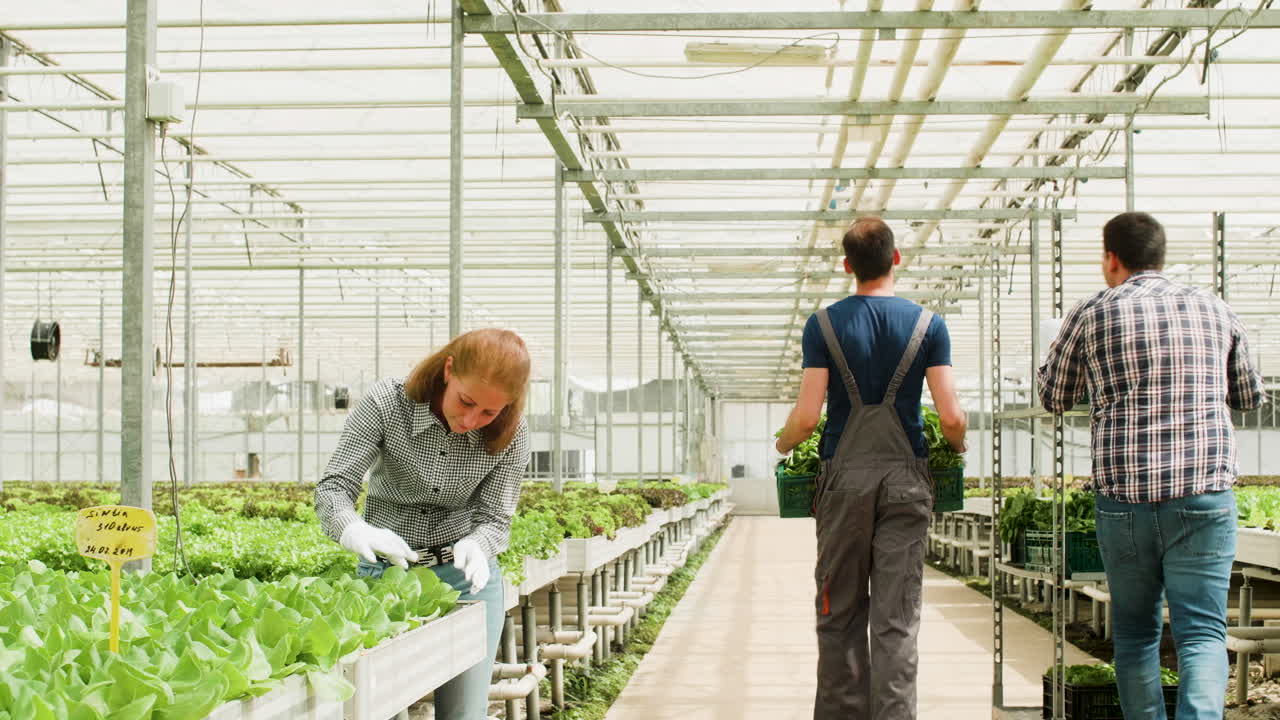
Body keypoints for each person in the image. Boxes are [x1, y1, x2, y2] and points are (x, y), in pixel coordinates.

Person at [1039, 211, 1265, 720]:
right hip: (1202, 494)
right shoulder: (1214, 308)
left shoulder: (1092, 313)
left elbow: (1053, 395)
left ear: (1111, 258)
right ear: (1160, 256)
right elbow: (1250, 395)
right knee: (1203, 633)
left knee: (1137, 636)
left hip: (1125, 502)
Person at [776, 216, 967, 720]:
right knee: (896, 619)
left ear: (847, 267)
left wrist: (783, 444)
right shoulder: (929, 325)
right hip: (906, 483)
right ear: (896, 258)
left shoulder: (823, 325)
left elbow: (806, 417)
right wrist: (957, 444)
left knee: (838, 614)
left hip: (843, 482)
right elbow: (951, 416)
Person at [316, 328, 532, 720]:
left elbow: (496, 518)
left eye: (488, 412)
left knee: (464, 715)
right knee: (377, 706)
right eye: (466, 401)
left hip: (467, 581)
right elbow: (334, 486)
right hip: (386, 577)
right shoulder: (387, 402)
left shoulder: (513, 435)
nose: (470, 419)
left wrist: (480, 545)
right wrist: (352, 528)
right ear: (449, 370)